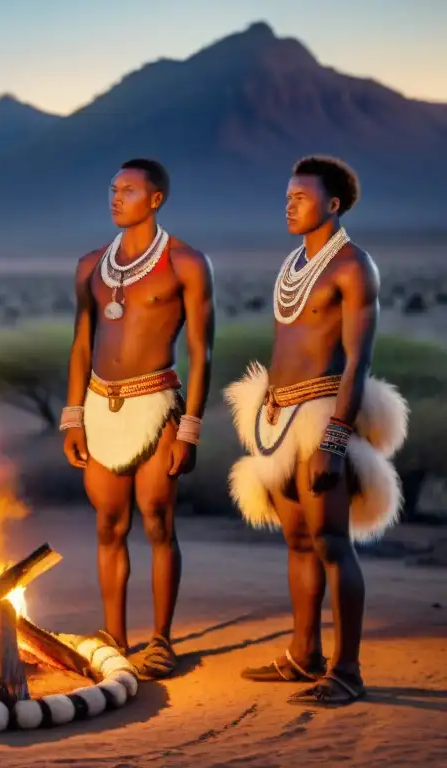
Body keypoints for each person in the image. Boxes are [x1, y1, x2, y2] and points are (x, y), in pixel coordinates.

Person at [226, 156, 408, 706]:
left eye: (300, 197)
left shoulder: (354, 267)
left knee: (332, 542)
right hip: (278, 420)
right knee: (299, 542)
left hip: (321, 419)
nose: (288, 204)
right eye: (286, 196)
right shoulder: (294, 263)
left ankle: (347, 670)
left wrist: (333, 440)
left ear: (332, 205)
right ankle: (303, 655)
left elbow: (357, 362)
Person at [61, 159, 215, 679]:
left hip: (158, 404)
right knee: (109, 525)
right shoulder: (89, 266)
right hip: (100, 404)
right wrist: (73, 417)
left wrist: (190, 428)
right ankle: (113, 636)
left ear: (155, 200)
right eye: (112, 188)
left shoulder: (186, 263)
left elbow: (202, 351)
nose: (116, 196)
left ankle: (161, 641)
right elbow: (81, 344)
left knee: (156, 520)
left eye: (128, 189)